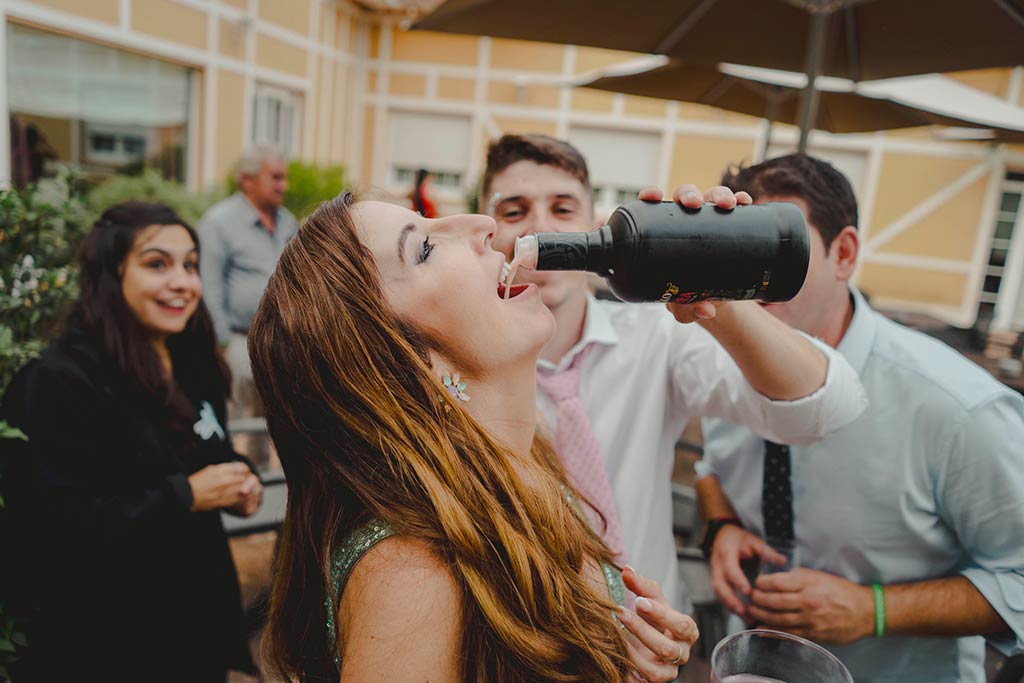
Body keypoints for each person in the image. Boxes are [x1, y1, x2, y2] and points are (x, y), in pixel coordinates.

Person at [248, 189, 765, 682]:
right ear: (408, 362)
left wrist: (618, 654)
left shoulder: (524, 454)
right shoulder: (411, 574)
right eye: (424, 248)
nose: (483, 225)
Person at [481, 134, 868, 611]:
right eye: (514, 211)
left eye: (562, 209)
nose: (539, 225)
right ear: (488, 233)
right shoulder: (459, 365)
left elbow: (827, 410)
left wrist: (714, 297)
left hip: (663, 635)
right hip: (523, 653)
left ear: (590, 223)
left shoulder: (657, 333)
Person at [697, 153, 1024, 682]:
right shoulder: (718, 364)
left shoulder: (958, 406)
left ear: (843, 253)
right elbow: (710, 467)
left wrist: (875, 609)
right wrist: (722, 526)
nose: (753, 276)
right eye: (739, 252)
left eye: (777, 249)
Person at [0, 201, 264, 683]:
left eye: (189, 265)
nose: (182, 282)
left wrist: (239, 486)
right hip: (108, 646)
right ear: (110, 272)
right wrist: (186, 495)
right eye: (156, 264)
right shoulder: (58, 383)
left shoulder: (193, 365)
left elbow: (211, 450)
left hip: (194, 634)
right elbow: (54, 530)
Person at [197, 144, 297, 467]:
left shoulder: (287, 222)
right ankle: (231, 492)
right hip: (238, 341)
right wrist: (222, 343)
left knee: (275, 426)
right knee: (235, 424)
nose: (284, 185)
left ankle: (266, 492)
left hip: (280, 343)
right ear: (247, 180)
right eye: (276, 177)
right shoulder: (218, 223)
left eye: (284, 178)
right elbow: (208, 286)